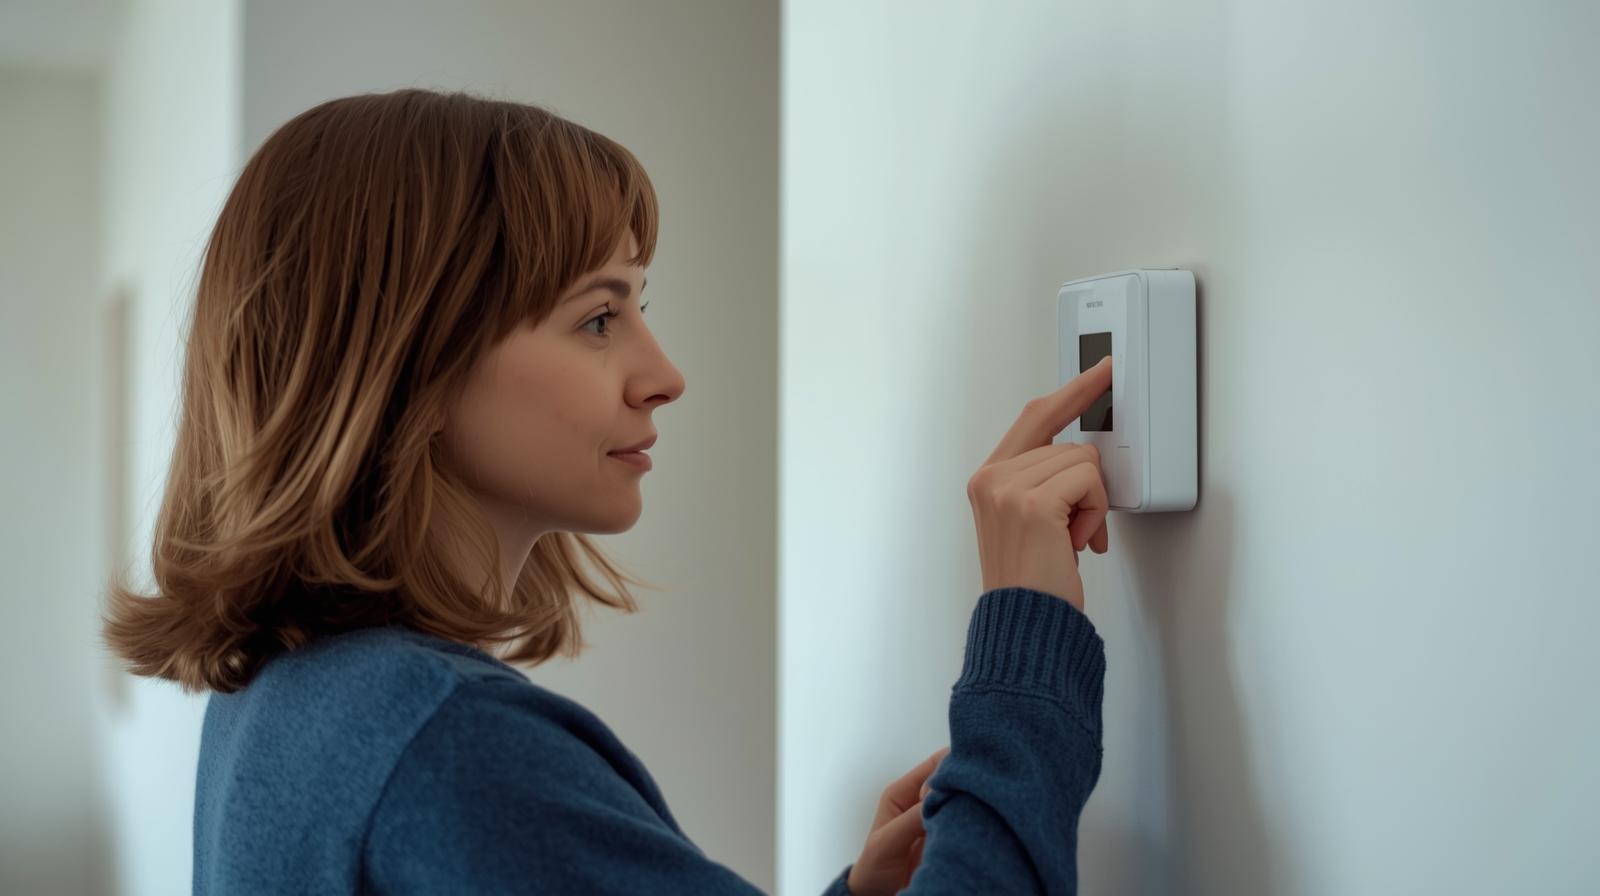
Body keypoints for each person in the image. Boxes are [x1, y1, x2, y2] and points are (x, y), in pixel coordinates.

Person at [101, 87, 1114, 895]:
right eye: (598, 317)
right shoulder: (447, 741)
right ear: (413, 361)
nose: (663, 371)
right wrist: (1024, 659)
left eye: (640, 304)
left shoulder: (289, 696)